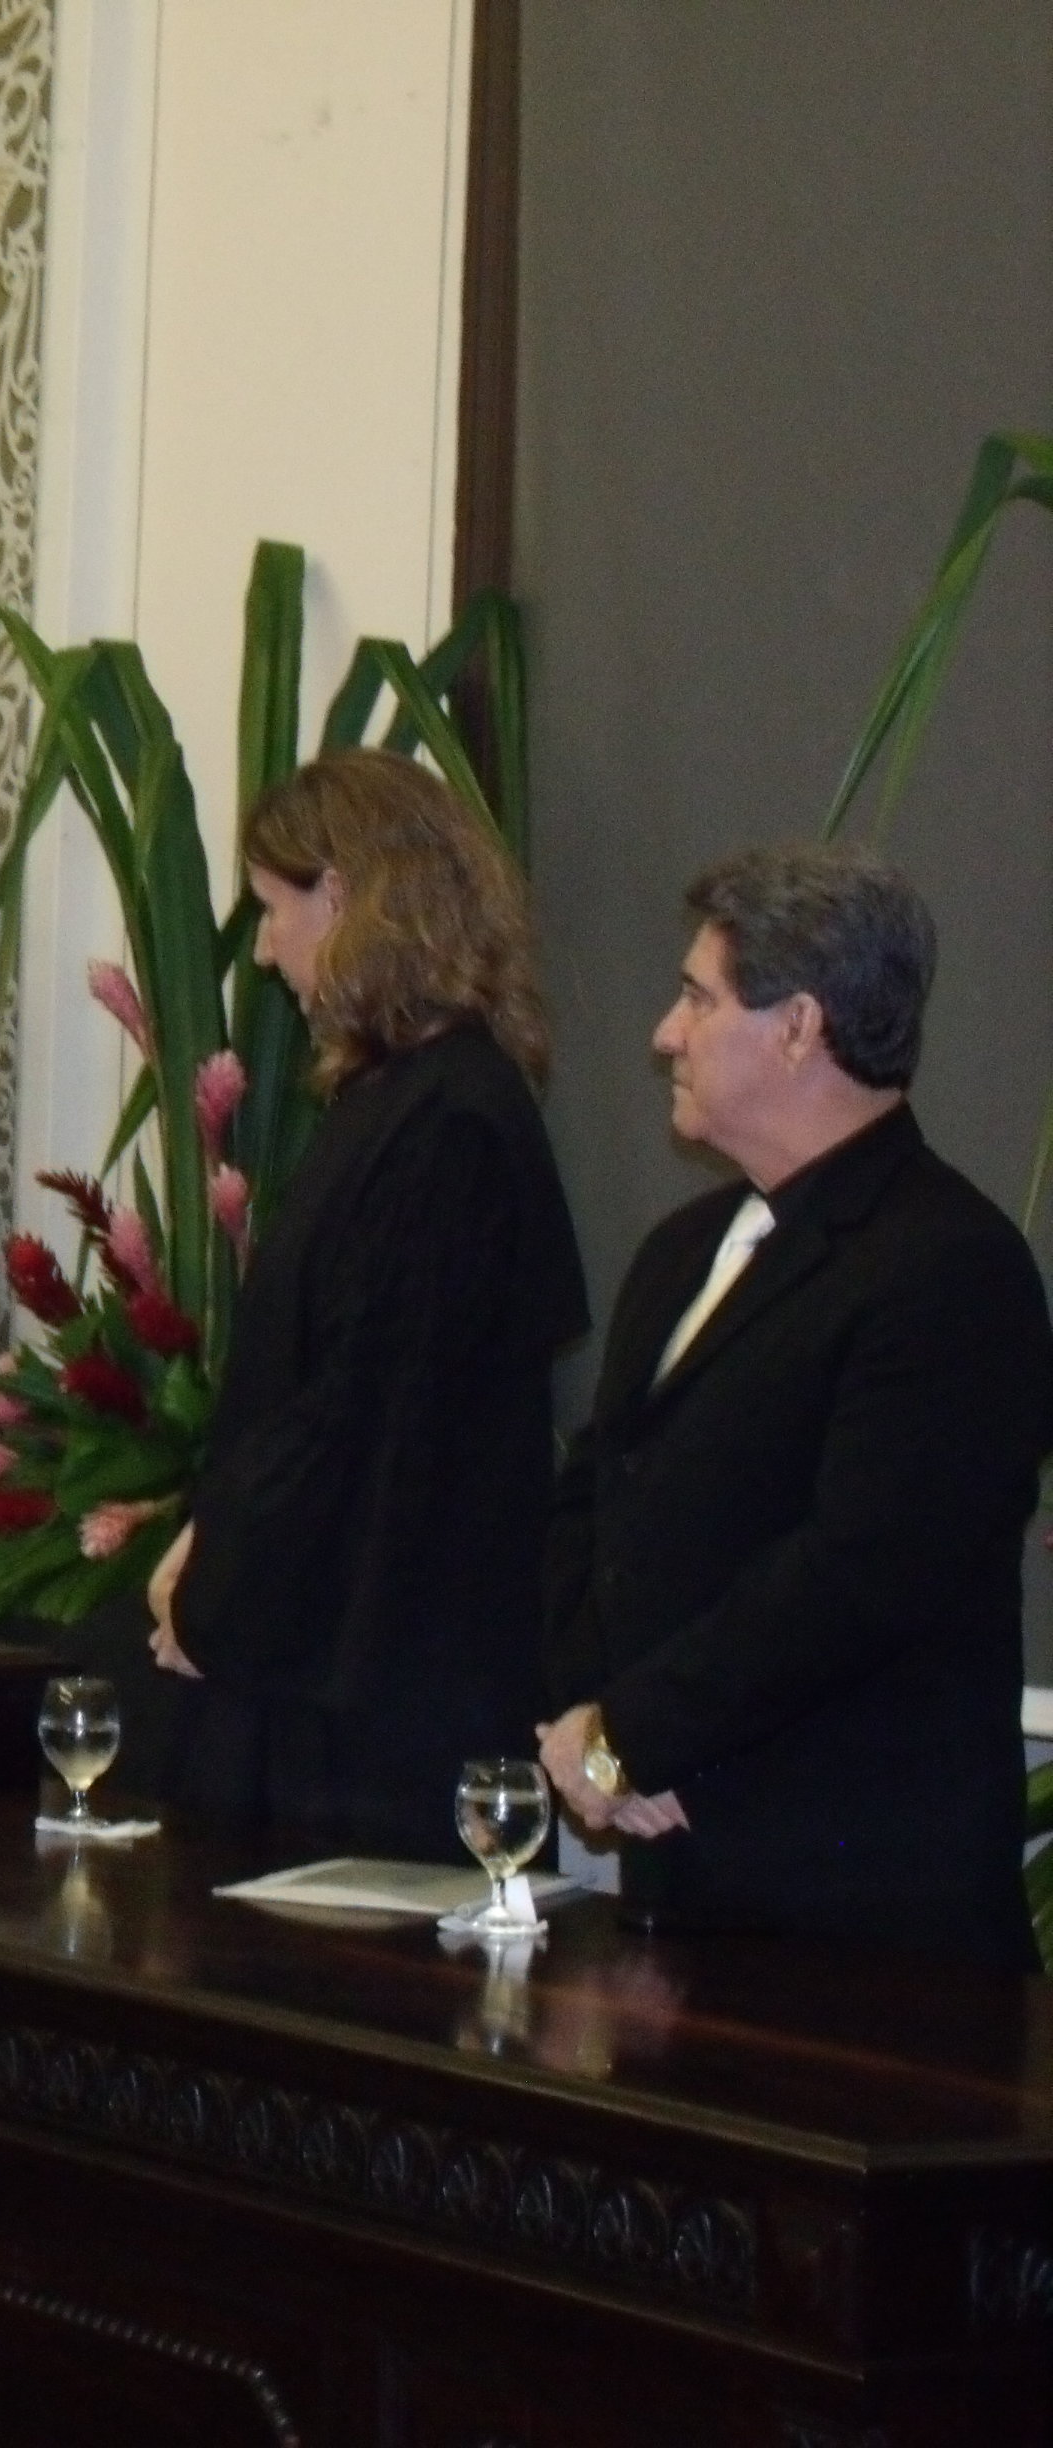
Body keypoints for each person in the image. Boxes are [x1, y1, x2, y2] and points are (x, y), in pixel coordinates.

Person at [539, 847, 1051, 1971]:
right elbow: (596, 1499)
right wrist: (588, 1715)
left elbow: (857, 1575)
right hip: (681, 1885)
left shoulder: (951, 1269)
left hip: (867, 1928)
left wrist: (633, 1735)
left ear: (798, 1026)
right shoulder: (682, 1252)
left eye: (698, 998)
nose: (664, 1034)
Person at [145, 750, 586, 1857]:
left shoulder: (449, 1125)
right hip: (347, 1672)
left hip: (384, 1709)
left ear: (342, 898)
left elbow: (359, 1416)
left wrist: (215, 1591)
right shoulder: (403, 1101)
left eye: (273, 909)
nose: (263, 949)